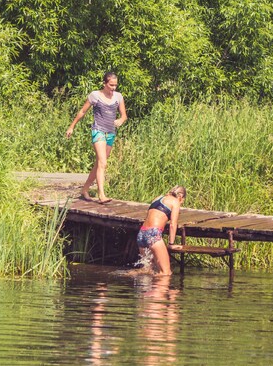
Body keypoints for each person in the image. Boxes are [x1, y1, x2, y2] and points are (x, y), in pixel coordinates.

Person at [66, 72, 127, 204]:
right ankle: (101, 194)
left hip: (110, 133)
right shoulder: (95, 95)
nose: (113, 88)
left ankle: (85, 189)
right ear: (104, 83)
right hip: (98, 131)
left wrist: (120, 121)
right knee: (103, 163)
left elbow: (124, 115)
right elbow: (82, 111)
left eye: (115, 85)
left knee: (99, 164)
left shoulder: (118, 97)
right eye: (111, 85)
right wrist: (72, 126)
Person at [137, 186, 187, 276]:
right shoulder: (175, 201)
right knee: (166, 273)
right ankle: (161, 290)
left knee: (146, 271)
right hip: (153, 234)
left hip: (141, 233)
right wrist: (171, 244)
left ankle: (123, 277)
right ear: (180, 196)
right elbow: (173, 224)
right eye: (182, 201)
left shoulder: (158, 198)